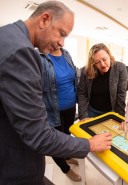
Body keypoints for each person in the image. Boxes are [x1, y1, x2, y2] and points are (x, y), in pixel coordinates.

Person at [0, 1, 112, 184]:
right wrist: (90, 144)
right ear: (44, 19)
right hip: (13, 166)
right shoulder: (22, 52)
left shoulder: (6, 34)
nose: (61, 42)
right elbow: (39, 135)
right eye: (61, 33)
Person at [39, 48, 81, 181]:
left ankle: (67, 157)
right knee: (55, 142)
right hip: (52, 110)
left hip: (71, 107)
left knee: (66, 135)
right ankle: (65, 169)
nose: (60, 41)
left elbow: (73, 79)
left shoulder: (66, 53)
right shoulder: (40, 56)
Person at [77, 43, 128, 120]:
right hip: (92, 111)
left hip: (111, 111)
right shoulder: (86, 70)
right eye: (97, 62)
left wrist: (121, 117)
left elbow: (121, 94)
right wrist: (83, 116)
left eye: (104, 59)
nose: (103, 64)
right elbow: (82, 93)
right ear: (93, 63)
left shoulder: (120, 68)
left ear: (109, 56)